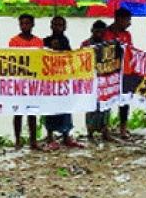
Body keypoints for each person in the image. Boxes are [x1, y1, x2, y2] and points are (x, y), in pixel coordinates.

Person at [42, 16, 83, 149]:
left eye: (60, 25)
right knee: (50, 108)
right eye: (55, 25)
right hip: (49, 81)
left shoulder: (65, 40)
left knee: (65, 108)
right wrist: (50, 48)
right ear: (50, 26)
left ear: (64, 27)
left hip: (63, 81)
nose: (57, 27)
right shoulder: (45, 41)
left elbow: (70, 57)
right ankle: (50, 137)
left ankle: (66, 136)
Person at [9, 13, 44, 150]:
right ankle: (17, 141)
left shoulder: (38, 42)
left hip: (33, 81)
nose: (25, 26)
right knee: (17, 112)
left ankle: (33, 141)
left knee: (32, 112)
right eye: (22, 23)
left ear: (33, 25)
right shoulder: (14, 41)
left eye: (27, 23)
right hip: (19, 81)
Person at [104, 7, 136, 139]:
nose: (129, 23)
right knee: (106, 101)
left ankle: (123, 128)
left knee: (124, 100)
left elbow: (131, 51)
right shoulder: (106, 33)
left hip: (123, 72)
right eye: (127, 20)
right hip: (108, 73)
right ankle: (105, 128)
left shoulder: (127, 35)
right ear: (119, 19)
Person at [82, 20, 115, 143]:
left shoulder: (108, 45)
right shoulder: (86, 44)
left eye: (101, 32)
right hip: (90, 79)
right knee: (90, 106)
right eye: (96, 31)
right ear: (92, 31)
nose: (99, 34)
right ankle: (90, 133)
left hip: (104, 79)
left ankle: (105, 130)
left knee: (105, 106)